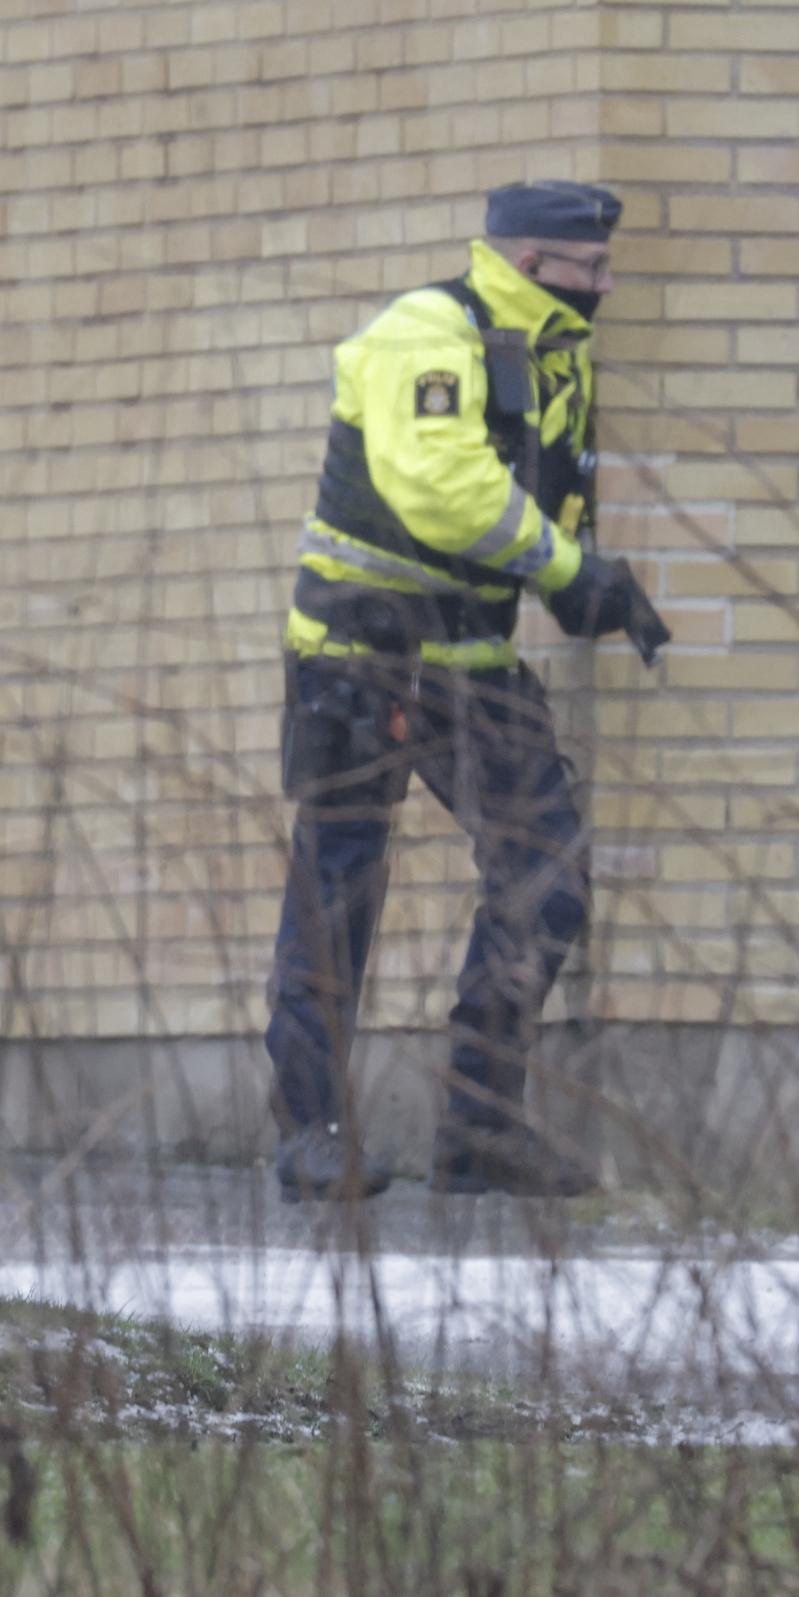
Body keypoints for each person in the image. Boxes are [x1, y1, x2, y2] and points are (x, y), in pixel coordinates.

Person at [264, 180, 670, 1203]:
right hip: (361, 658)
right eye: (591, 268)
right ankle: (310, 1134)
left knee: (548, 876)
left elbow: (536, 503)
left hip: (473, 664)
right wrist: (567, 571)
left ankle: (479, 1131)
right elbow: (440, 488)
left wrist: (589, 583)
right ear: (532, 264)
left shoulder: (551, 362)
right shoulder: (426, 331)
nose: (607, 283)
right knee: (338, 890)